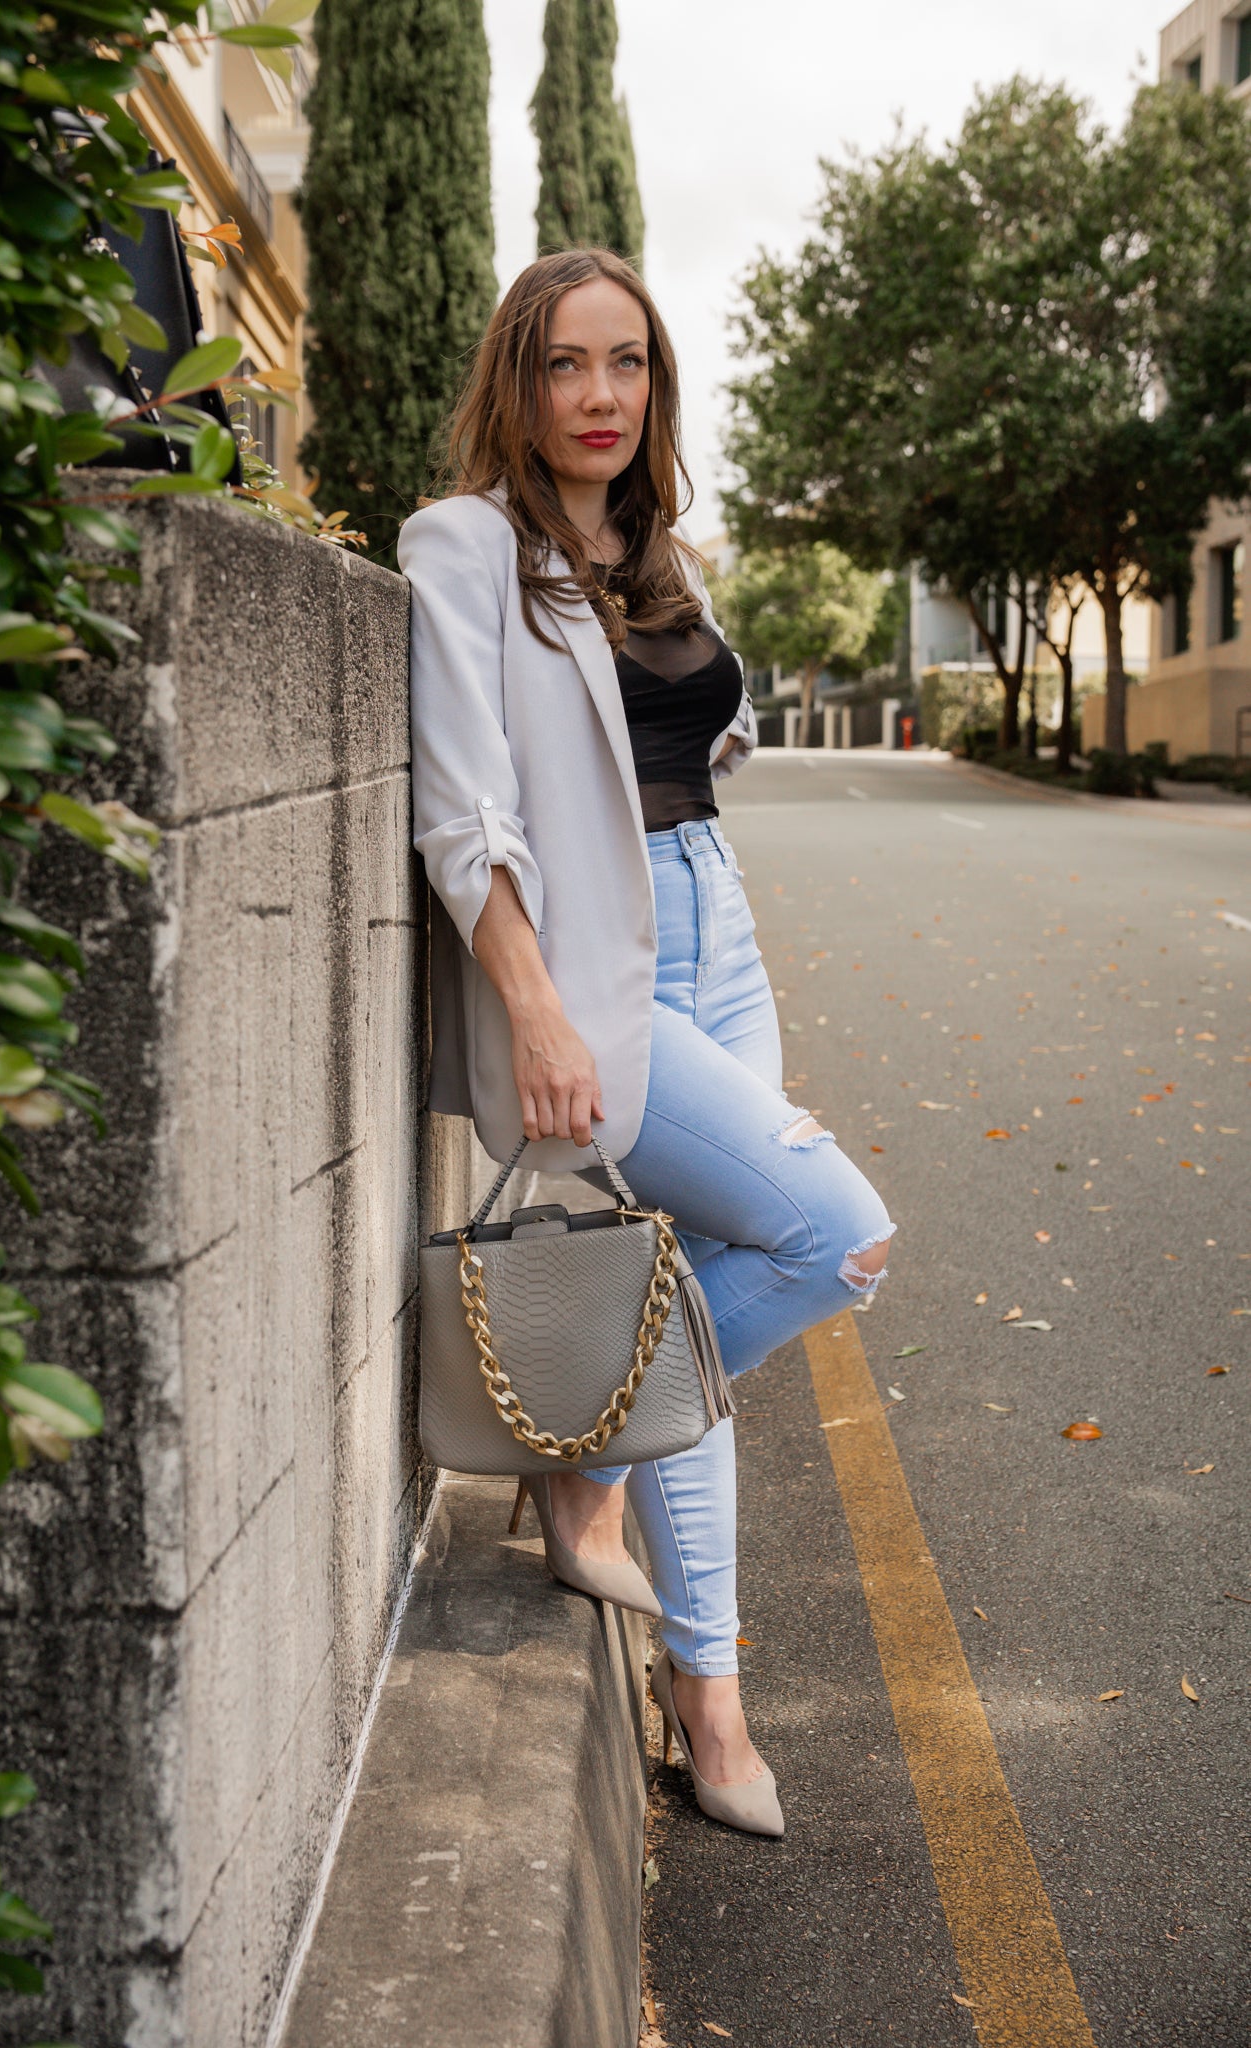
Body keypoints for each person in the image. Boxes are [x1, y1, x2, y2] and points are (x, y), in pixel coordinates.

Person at [400, 248, 895, 1838]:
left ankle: (708, 1697)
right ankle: (580, 1462)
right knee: (839, 1238)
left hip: (716, 926)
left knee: (681, 1278)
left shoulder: (656, 551)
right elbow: (462, 807)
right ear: (516, 385)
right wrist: (530, 1002)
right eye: (562, 365)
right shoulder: (465, 544)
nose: (598, 396)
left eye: (625, 364)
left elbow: (691, 735)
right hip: (596, 970)